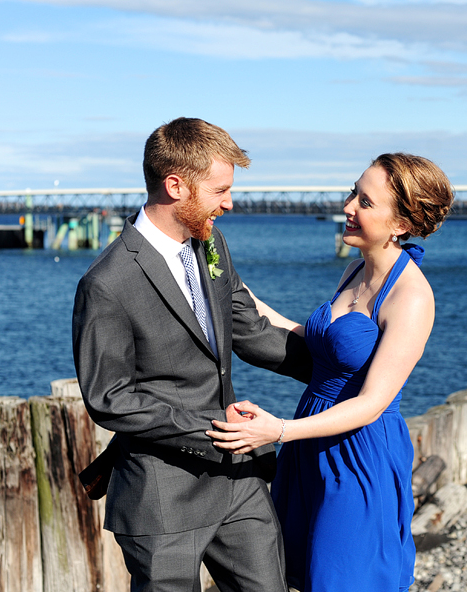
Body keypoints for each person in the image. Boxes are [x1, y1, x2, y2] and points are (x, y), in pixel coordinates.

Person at [72, 117, 312, 592]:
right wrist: (215, 432)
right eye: (220, 190)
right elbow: (110, 399)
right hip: (162, 494)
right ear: (175, 185)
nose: (229, 202)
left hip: (239, 482)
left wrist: (345, 375)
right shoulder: (106, 284)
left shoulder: (211, 244)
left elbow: (251, 331)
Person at [207, 152, 454, 591]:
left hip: (359, 455)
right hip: (310, 447)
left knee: (341, 577)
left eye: (365, 201)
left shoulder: (412, 298)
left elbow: (372, 403)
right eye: (352, 193)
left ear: (400, 224)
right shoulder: (354, 269)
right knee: (297, 574)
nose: (348, 207)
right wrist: (232, 289)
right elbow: (314, 338)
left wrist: (278, 430)